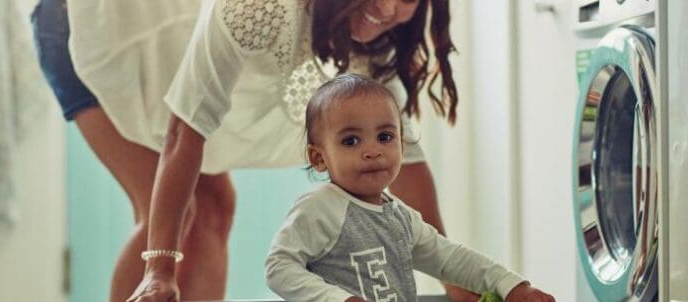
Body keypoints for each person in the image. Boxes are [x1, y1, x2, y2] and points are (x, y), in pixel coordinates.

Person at [36, 0, 472, 301]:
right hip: (91, 31)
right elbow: (183, 135)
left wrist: (457, 282)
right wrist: (159, 270)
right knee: (174, 214)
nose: (392, 7)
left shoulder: (373, 35)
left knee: (215, 206)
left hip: (168, 51)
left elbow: (409, 163)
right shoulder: (257, 8)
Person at [265, 74, 555, 302]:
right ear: (319, 157)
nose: (373, 151)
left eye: (385, 136)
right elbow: (279, 267)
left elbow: (449, 258)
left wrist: (512, 285)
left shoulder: (400, 217)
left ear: (402, 144)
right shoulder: (320, 207)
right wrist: (340, 299)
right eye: (351, 141)